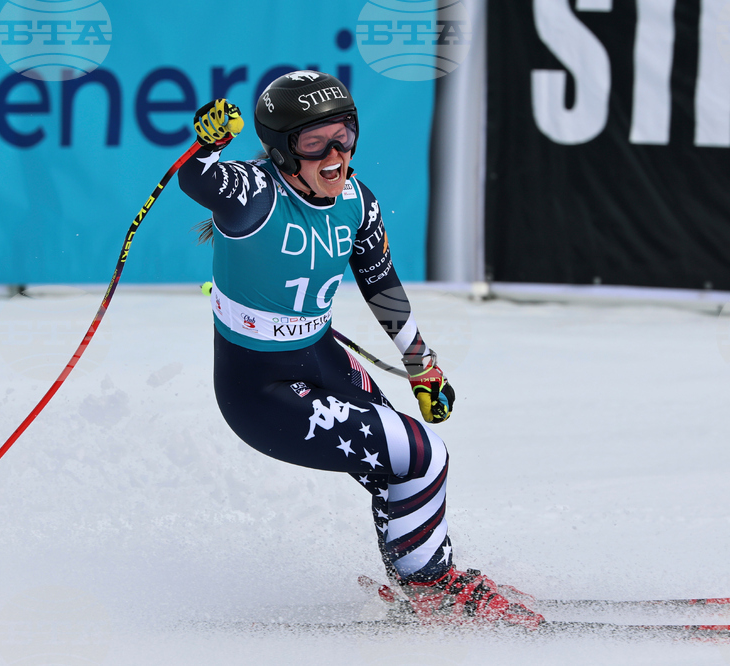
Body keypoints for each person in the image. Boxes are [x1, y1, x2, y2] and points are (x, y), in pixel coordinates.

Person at [178, 70, 543, 628]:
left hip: (318, 355)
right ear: (279, 151)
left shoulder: (356, 200)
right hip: (261, 390)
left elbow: (381, 284)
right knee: (424, 455)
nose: (334, 156)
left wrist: (423, 367)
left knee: (404, 467)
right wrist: (211, 143)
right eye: (312, 142)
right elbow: (196, 181)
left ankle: (418, 582)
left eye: (344, 134)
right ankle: (433, 590)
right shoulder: (254, 196)